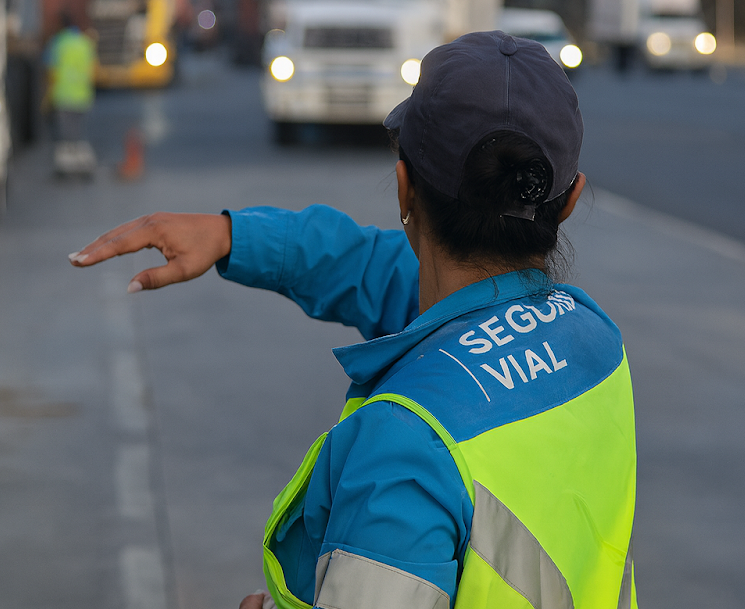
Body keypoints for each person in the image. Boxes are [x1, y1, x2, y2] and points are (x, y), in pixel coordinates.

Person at [69, 30, 638, 609]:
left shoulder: (406, 448)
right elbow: (381, 269)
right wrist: (235, 236)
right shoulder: (596, 343)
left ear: (403, 191)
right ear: (569, 200)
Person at [44, 12, 97, 175]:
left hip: (64, 95)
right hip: (83, 95)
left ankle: (67, 167)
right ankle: (84, 163)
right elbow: (92, 69)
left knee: (66, 136)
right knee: (78, 133)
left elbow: (51, 71)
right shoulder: (84, 42)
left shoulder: (58, 43)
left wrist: (47, 97)